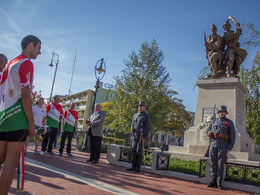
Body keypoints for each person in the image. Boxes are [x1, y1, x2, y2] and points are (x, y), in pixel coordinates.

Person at [0, 35, 41, 194]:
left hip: (3, 117)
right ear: (31, 45)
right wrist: (31, 123)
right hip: (17, 118)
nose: (40, 52)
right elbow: (25, 95)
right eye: (39, 48)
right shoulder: (26, 63)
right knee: (10, 163)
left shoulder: (9, 64)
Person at [206, 105, 236, 190]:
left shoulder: (229, 122)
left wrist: (229, 147)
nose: (221, 113)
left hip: (223, 146)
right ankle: (213, 180)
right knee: (213, 164)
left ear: (225, 113)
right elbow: (207, 130)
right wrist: (208, 132)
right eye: (220, 112)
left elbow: (232, 136)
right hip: (213, 145)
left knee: (220, 164)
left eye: (223, 112)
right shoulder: (213, 121)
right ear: (218, 113)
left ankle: (219, 182)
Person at [127, 101, 150, 172]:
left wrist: (144, 137)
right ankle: (133, 166)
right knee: (133, 150)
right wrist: (131, 134)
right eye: (139, 105)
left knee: (139, 151)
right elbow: (132, 125)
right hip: (135, 134)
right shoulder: (135, 115)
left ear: (144, 107)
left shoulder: (146, 116)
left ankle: (138, 167)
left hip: (141, 134)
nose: (140, 107)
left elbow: (147, 127)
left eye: (141, 106)